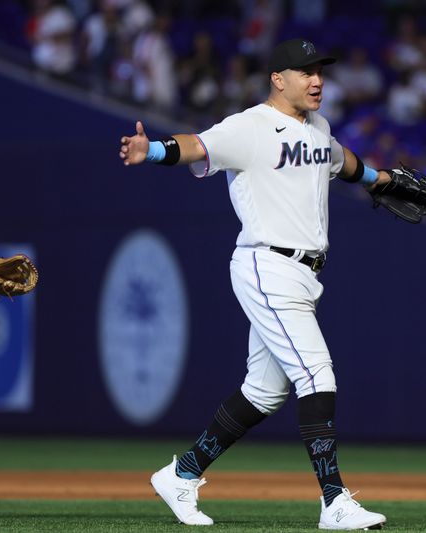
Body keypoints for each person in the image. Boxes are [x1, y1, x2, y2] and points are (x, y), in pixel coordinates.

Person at [119, 38, 389, 531]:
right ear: (277, 79)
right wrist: (152, 150)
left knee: (264, 392)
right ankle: (334, 502)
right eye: (304, 71)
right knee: (317, 376)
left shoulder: (319, 128)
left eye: (320, 70)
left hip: (305, 274)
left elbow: (338, 159)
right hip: (267, 265)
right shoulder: (249, 127)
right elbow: (198, 146)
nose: (316, 79)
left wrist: (378, 177)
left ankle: (181, 474)